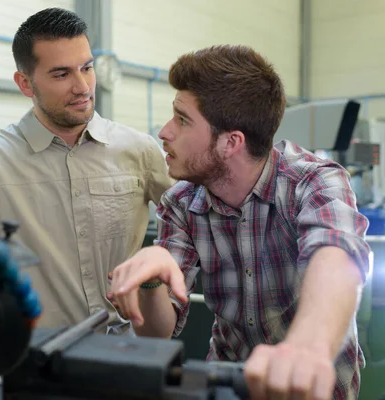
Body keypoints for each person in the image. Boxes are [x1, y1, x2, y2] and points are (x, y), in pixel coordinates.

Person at [108, 45, 370, 399]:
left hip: (315, 385)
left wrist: (308, 348)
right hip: (229, 383)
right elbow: (157, 335)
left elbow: (337, 255)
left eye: (182, 120)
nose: (165, 132)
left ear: (231, 142)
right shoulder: (182, 203)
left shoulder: (312, 182)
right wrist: (153, 281)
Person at [0, 8, 173, 334]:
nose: (83, 87)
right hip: (38, 365)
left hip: (130, 354)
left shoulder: (138, 150)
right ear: (25, 83)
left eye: (87, 68)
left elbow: (196, 219)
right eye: (61, 74)